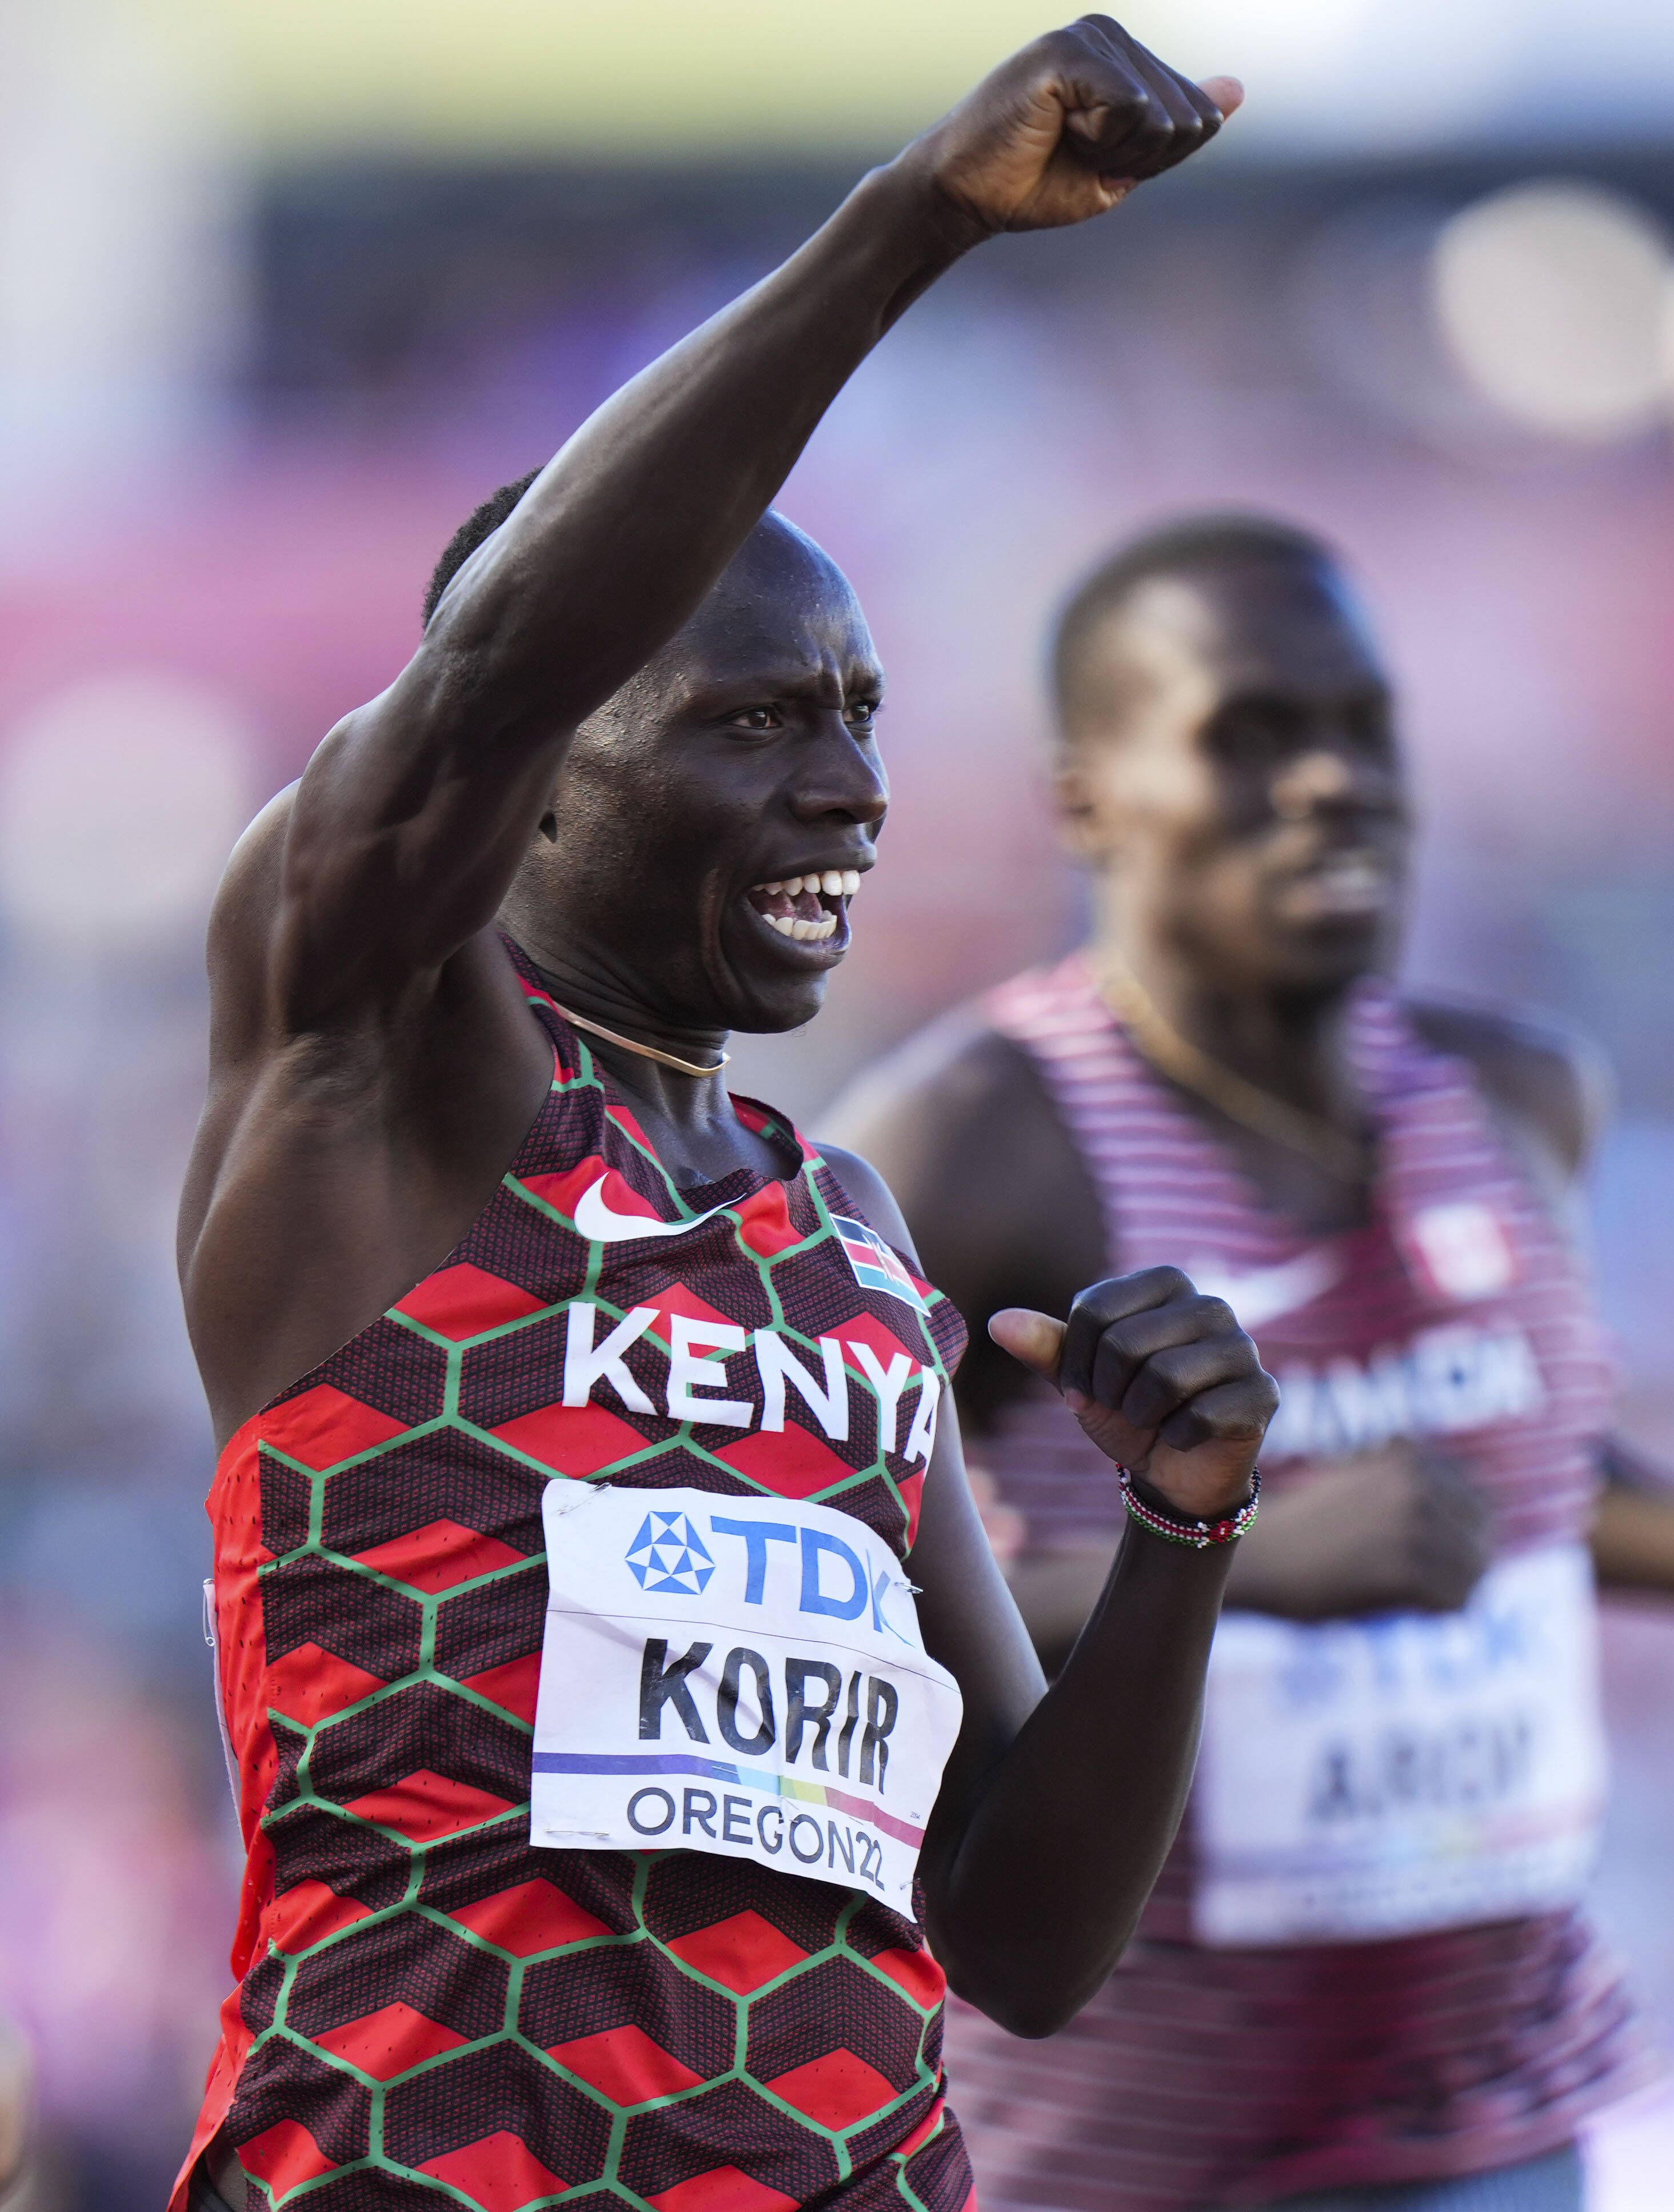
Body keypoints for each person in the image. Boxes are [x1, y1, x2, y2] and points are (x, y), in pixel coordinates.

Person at [169, 29, 1283, 2212]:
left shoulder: (842, 1229)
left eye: (861, 718)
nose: (852, 791)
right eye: (760, 720)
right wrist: (915, 224)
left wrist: (1182, 1539)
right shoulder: (386, 1065)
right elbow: (472, 693)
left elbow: (1024, 1938)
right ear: (547, 779)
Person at [828, 516, 1674, 2211]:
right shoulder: (974, 1144)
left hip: (1513, 2121)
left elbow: (1515, 1491)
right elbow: (818, 1576)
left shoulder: (1514, 1097)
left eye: (1361, 731)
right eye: (1248, 737)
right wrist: (1252, 1559)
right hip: (1135, 2152)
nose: (1327, 786)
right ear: (1086, 797)